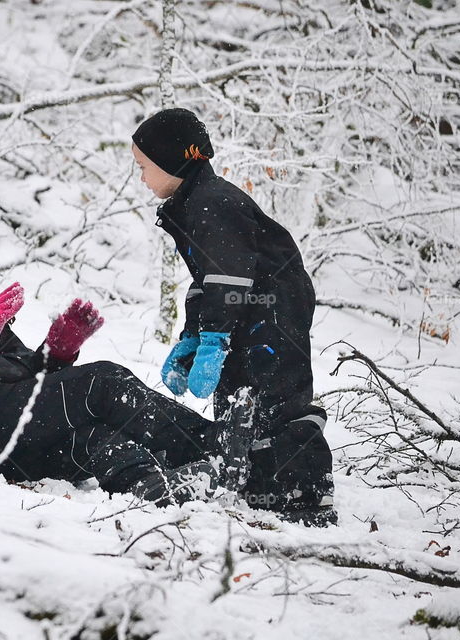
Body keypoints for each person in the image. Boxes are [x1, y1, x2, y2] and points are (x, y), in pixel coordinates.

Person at [0, 208, 239, 506]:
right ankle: (214, 446)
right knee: (104, 382)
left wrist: (57, 350)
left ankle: (149, 483)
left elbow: (24, 375)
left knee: (91, 436)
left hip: (17, 431)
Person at [130, 107, 336, 525]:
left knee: (276, 391)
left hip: (275, 307)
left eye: (143, 167)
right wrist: (193, 335)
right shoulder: (191, 205)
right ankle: (260, 478)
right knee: (237, 391)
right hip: (245, 306)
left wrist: (214, 339)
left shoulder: (213, 204)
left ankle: (306, 490)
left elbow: (226, 280)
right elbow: (206, 283)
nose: (141, 177)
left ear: (173, 161)